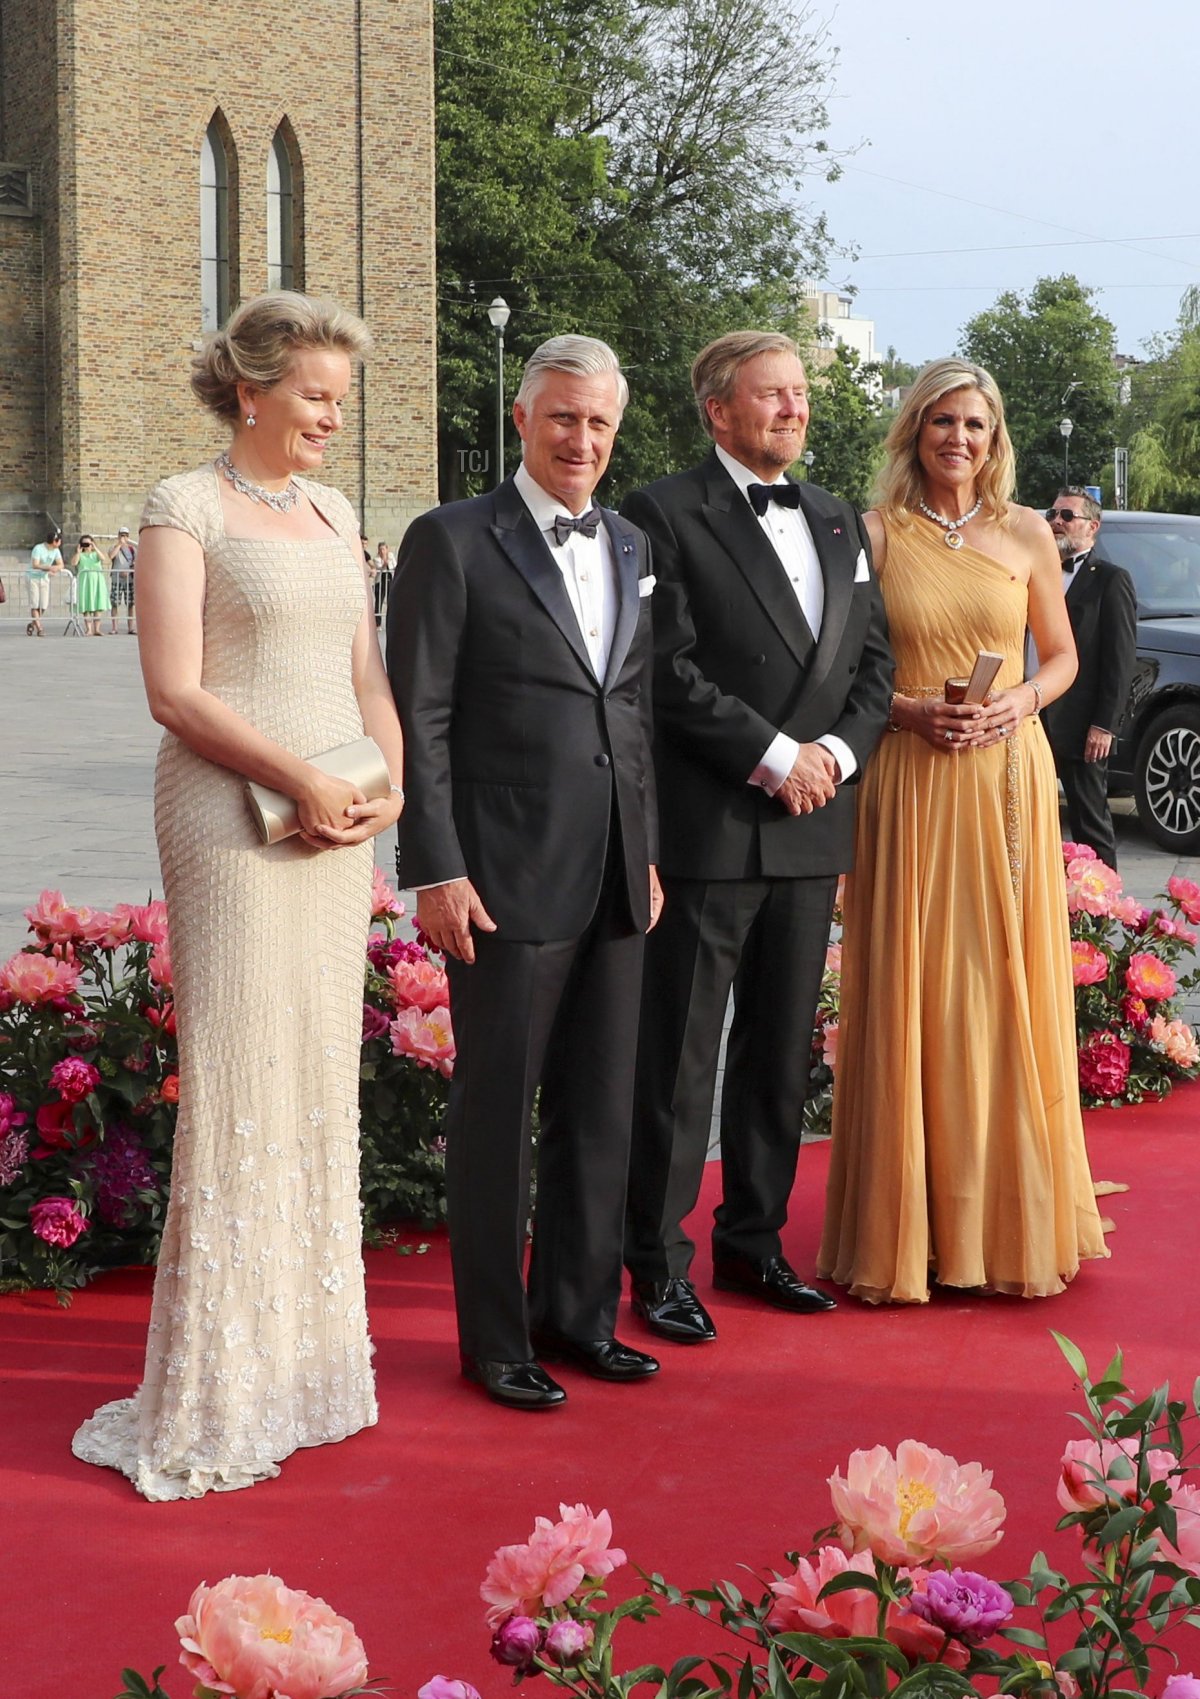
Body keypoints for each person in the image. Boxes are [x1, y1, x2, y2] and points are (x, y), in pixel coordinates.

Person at [71, 291, 406, 1499]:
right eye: (316, 394)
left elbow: (367, 669)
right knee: (240, 1075)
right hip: (230, 815)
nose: (332, 415)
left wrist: (390, 789)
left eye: (340, 397)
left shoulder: (332, 508)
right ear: (252, 389)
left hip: (339, 823)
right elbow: (175, 690)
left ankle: (306, 1368)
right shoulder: (183, 506)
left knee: (315, 1069)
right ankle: (220, 1383)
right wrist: (299, 776)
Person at [388, 334, 662, 1410]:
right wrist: (437, 867)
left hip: (612, 872)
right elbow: (424, 717)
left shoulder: (634, 542)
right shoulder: (451, 540)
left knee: (601, 1108)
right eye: (562, 419)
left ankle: (579, 1316)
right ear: (521, 418)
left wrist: (646, 855)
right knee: (500, 1116)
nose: (581, 440)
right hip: (500, 876)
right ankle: (497, 1341)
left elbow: (631, 710)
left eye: (598, 423)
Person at [621, 330, 893, 1346]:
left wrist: (835, 755)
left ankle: (756, 1241)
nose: (794, 411)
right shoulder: (662, 511)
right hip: (714, 824)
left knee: (779, 1057)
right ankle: (655, 1260)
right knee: (680, 1061)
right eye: (773, 396)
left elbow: (877, 663)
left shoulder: (836, 518)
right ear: (719, 410)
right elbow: (667, 667)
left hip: (814, 829)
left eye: (801, 397)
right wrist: (778, 754)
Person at [818, 357, 1109, 1305]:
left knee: (1000, 985)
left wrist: (1020, 701)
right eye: (943, 421)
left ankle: (1003, 1214)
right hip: (909, 777)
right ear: (915, 431)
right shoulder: (871, 535)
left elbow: (1061, 658)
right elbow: (844, 677)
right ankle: (912, 1228)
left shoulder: (1028, 533)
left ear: (996, 438)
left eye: (976, 425)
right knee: (912, 985)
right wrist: (906, 713)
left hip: (1007, 780)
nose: (959, 439)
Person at [1039, 489, 1136, 869]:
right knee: (1032, 817)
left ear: (1092, 527)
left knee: (1089, 823)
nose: (1056, 520)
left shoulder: (1110, 580)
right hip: (1032, 715)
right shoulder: (1036, 572)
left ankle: (1099, 914)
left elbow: (1119, 659)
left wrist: (1104, 725)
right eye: (1053, 513)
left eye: (1067, 515)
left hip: (1081, 724)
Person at [73, 533, 111, 635]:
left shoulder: (95, 554)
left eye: (88, 544)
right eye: (84, 544)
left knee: (97, 605)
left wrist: (95, 548)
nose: (87, 546)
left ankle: (97, 629)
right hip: (85, 581)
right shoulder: (80, 555)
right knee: (86, 605)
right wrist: (78, 552)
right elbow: (74, 563)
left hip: (97, 581)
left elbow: (103, 558)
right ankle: (89, 629)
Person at [27, 528, 63, 636]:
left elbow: (61, 564)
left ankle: (33, 623)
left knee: (43, 605)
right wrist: (48, 568)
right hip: (33, 577)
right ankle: (39, 628)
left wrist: (56, 568)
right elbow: (35, 564)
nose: (60, 543)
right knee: (35, 603)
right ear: (54, 541)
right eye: (59, 541)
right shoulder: (38, 548)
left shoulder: (56, 551)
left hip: (44, 578)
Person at [109, 527, 137, 634]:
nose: (123, 537)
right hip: (117, 579)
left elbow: (135, 562)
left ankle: (131, 627)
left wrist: (129, 571)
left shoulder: (132, 549)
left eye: (125, 535)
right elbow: (111, 556)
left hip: (129, 580)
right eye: (121, 535)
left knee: (130, 604)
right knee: (115, 603)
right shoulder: (114, 547)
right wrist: (120, 544)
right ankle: (114, 628)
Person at [373, 540, 393, 628]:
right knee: (379, 601)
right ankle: (378, 623)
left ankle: (391, 622)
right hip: (380, 581)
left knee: (390, 601)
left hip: (389, 579)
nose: (382, 551)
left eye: (384, 549)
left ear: (387, 549)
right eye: (380, 549)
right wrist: (385, 559)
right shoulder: (376, 558)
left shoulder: (391, 556)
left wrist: (388, 558)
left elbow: (393, 565)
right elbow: (381, 567)